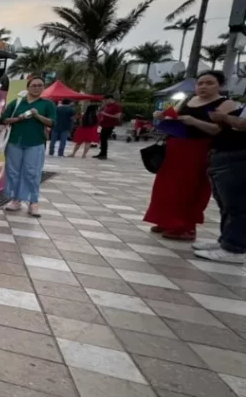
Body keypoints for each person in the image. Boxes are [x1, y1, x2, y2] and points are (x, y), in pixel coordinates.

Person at [144, 71, 238, 241]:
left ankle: (185, 226)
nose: (203, 86)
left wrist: (194, 121)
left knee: (190, 188)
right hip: (176, 147)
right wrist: (161, 116)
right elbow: (170, 114)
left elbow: (218, 129)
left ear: (220, 85)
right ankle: (166, 220)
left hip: (200, 149)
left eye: (209, 83)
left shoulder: (226, 104)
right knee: (166, 186)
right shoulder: (188, 99)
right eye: (200, 83)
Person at [0, 76, 56, 217]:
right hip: (15, 141)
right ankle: (16, 200)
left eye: (40, 85)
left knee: (32, 173)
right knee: (13, 172)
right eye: (34, 85)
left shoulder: (47, 104)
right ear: (28, 87)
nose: (37, 88)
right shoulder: (17, 103)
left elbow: (51, 122)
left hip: (35, 143)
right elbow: (4, 119)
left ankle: (33, 202)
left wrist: (38, 116)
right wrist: (19, 118)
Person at [198, 101, 246, 263]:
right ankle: (225, 241)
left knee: (237, 206)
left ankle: (235, 248)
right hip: (225, 155)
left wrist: (224, 117)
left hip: (238, 158)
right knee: (227, 204)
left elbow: (242, 125)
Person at [94, 95, 123, 159]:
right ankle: (101, 153)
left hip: (109, 125)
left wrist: (105, 114)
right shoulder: (107, 106)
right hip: (104, 124)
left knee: (104, 139)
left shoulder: (116, 106)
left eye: (105, 100)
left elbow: (118, 116)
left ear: (110, 99)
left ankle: (104, 154)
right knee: (102, 138)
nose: (104, 102)